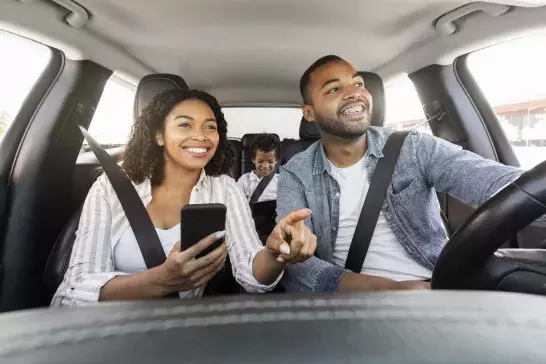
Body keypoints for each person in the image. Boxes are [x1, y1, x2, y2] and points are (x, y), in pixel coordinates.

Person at [276, 55, 542, 293]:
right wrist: (394, 290)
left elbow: (500, 185)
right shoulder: (295, 172)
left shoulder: (412, 147)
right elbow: (297, 268)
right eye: (334, 89)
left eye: (358, 84)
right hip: (348, 301)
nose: (354, 94)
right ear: (309, 113)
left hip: (436, 289)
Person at [52, 89, 316, 307]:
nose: (201, 136)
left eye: (210, 127)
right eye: (184, 124)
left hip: (178, 332)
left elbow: (250, 273)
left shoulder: (226, 190)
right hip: (108, 330)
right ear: (158, 135)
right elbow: (74, 290)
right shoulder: (110, 188)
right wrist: (159, 281)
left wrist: (274, 255)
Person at [237, 134, 280, 202]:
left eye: (270, 161)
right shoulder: (244, 181)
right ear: (253, 159)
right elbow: (237, 204)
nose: (265, 166)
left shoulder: (281, 180)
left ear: (276, 160)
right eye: (260, 161)